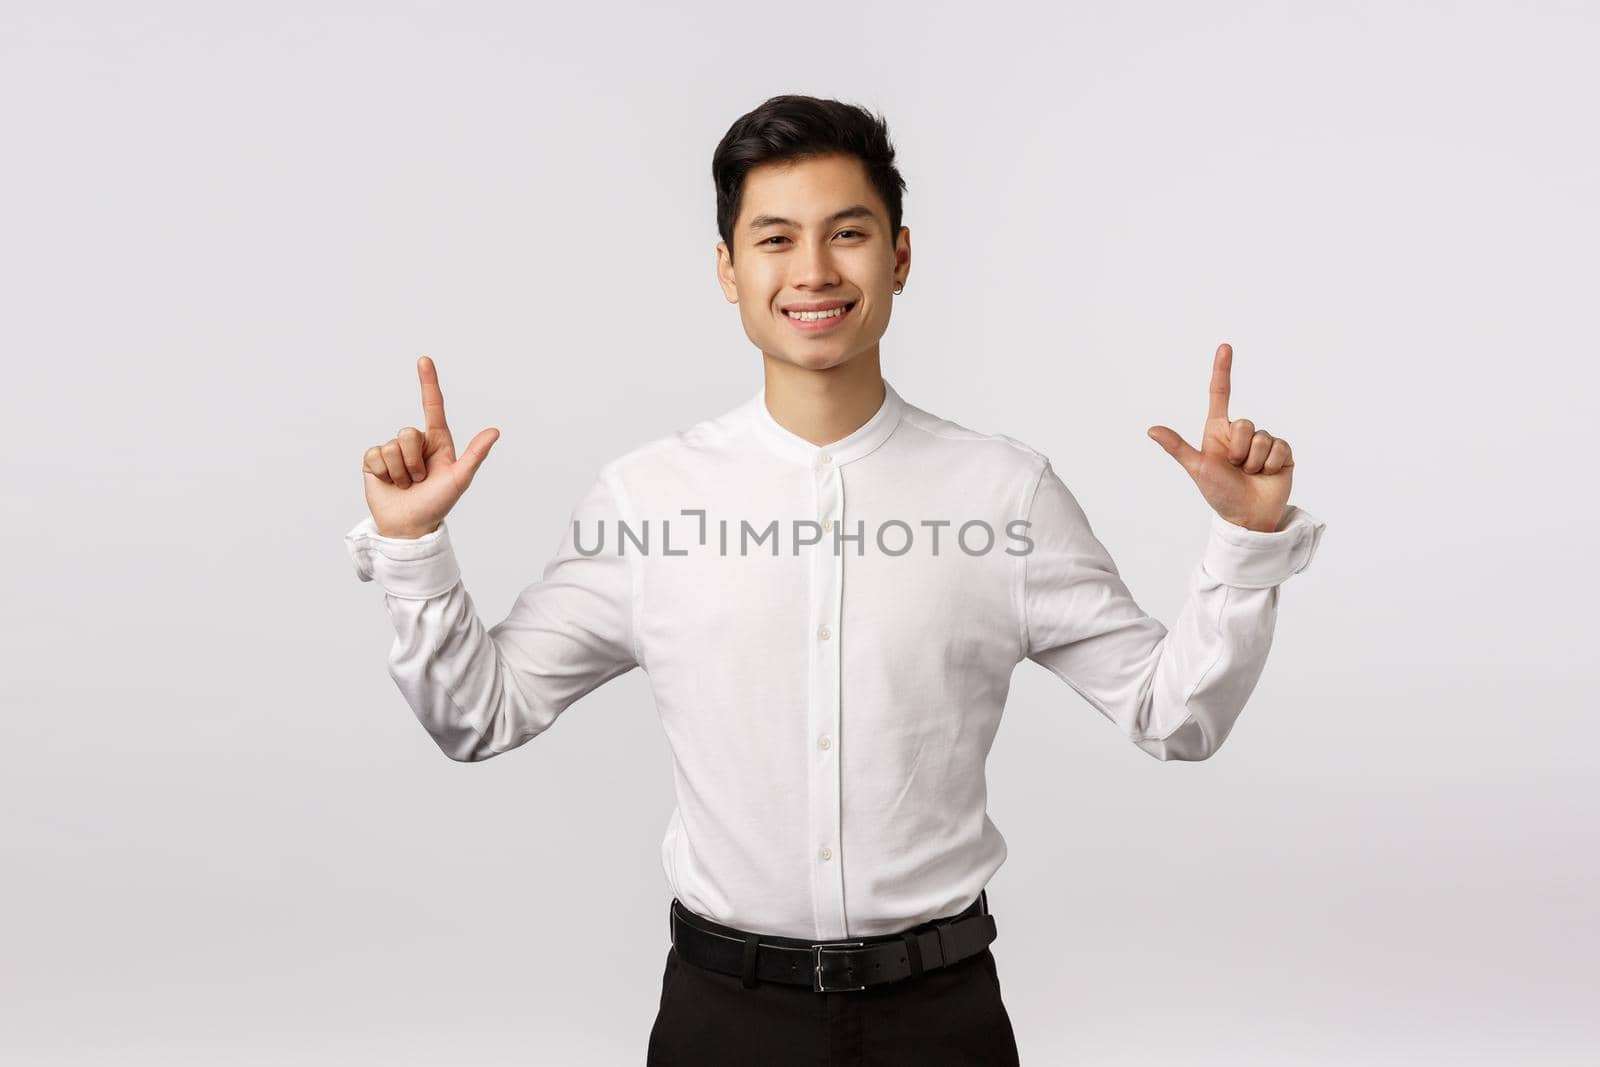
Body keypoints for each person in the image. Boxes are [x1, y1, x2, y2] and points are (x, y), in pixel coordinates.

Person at [344, 93, 1326, 1065]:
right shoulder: (646, 499)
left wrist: (1244, 540)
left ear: (898, 254)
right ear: (728, 270)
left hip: (939, 1018)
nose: (812, 270)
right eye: (774, 238)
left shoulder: (1002, 492)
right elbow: (478, 715)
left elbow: (1175, 717)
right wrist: (414, 546)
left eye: (846, 232)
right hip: (722, 1018)